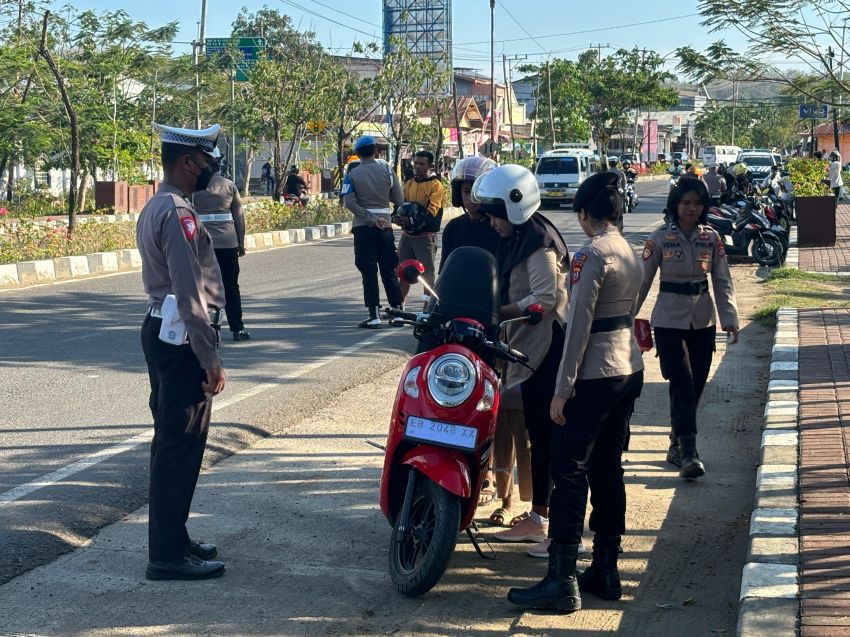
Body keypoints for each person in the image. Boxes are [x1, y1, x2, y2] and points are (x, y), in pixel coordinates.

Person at [507, 171, 644, 613]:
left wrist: (561, 390)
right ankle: (605, 567)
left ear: (583, 213)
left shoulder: (590, 254)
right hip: (628, 367)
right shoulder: (628, 249)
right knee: (608, 466)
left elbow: (579, 326)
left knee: (568, 468)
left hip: (594, 373)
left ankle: (561, 579)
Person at [137, 123, 227, 581]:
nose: (211, 167)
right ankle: (167, 555)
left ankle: (175, 537)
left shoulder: (160, 204)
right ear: (188, 162)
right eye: (206, 159)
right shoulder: (177, 212)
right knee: (179, 444)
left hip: (164, 330)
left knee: (177, 442)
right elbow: (188, 289)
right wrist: (208, 355)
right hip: (179, 337)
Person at [472, 164, 570, 559]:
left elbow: (545, 299)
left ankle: (543, 520)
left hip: (545, 351)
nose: (492, 222)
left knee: (545, 437)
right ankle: (542, 516)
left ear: (515, 206)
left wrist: (497, 311)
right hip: (529, 350)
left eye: (495, 213)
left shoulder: (539, 245)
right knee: (539, 435)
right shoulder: (523, 237)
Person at [636, 178, 739, 480]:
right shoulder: (659, 239)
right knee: (681, 381)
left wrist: (729, 318)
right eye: (686, 203)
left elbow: (722, 279)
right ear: (675, 205)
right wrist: (626, 317)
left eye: (697, 203)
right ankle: (690, 453)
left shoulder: (711, 238)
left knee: (696, 385)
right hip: (668, 320)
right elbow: (642, 281)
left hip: (702, 319)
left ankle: (676, 441)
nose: (692, 208)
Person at [342, 135, 404, 328]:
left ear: (357, 153)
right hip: (385, 226)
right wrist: (383, 217)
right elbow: (399, 199)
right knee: (389, 270)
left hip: (363, 227)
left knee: (368, 271)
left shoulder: (352, 173)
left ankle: (374, 314)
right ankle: (398, 312)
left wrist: (369, 218)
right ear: (376, 150)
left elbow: (349, 201)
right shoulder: (387, 169)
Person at [193, 167, 250, 342]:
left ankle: (207, 328)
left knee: (202, 287)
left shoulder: (194, 188)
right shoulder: (229, 186)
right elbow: (239, 217)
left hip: (202, 245)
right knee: (231, 286)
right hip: (228, 244)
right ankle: (238, 328)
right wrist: (240, 243)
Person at [438, 155, 501, 272]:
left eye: (476, 191)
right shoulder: (453, 228)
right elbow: (445, 272)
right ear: (458, 194)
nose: (471, 198)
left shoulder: (499, 228)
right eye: (466, 191)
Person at [398, 150, 445, 302]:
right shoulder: (409, 184)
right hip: (407, 236)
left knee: (427, 275)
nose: (417, 167)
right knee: (403, 271)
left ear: (430, 166)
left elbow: (432, 211)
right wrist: (397, 217)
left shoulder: (436, 185)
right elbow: (400, 204)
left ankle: (427, 308)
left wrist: (413, 221)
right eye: (416, 163)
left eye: (421, 164)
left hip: (425, 237)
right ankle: (399, 305)